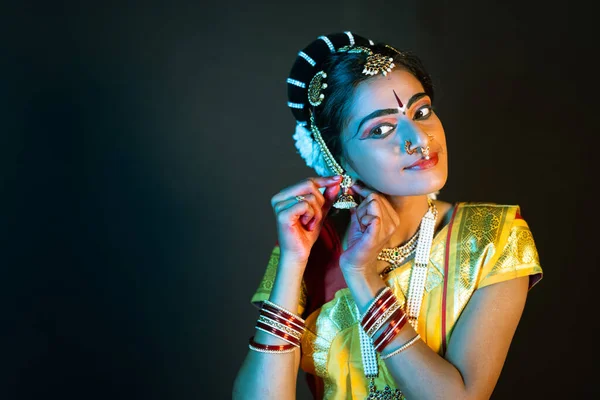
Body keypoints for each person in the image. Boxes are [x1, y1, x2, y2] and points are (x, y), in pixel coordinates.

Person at [232, 31, 543, 400]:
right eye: (381, 129)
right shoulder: (310, 249)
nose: (418, 139)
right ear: (339, 159)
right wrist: (293, 262)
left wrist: (362, 276)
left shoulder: (492, 237)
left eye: (421, 112)